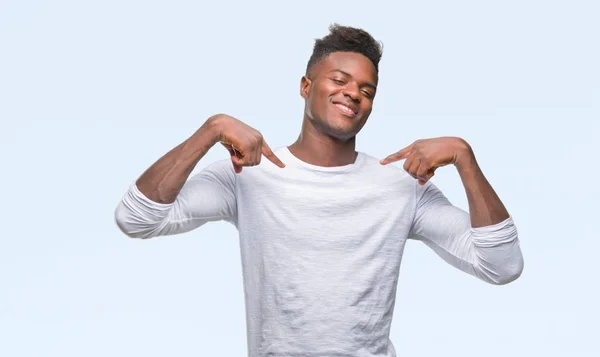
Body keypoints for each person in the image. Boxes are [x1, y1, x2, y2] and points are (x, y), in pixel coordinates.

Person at [115, 24, 524, 357]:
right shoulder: (248, 175)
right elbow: (136, 219)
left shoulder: (400, 187)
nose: (354, 94)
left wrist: (465, 158)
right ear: (306, 86)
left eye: (367, 90)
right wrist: (211, 130)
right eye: (340, 80)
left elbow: (501, 265)